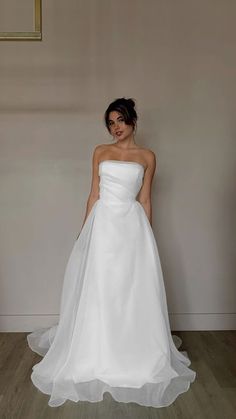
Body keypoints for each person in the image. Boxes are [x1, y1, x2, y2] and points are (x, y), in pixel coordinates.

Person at [27, 97, 196, 408]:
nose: (115, 128)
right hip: (103, 224)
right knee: (101, 286)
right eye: (111, 123)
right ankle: (97, 348)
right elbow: (93, 193)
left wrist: (147, 237)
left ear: (133, 120)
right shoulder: (100, 152)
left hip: (131, 227)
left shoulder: (148, 156)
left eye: (120, 120)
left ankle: (131, 349)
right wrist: (83, 232)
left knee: (129, 289)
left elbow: (145, 200)